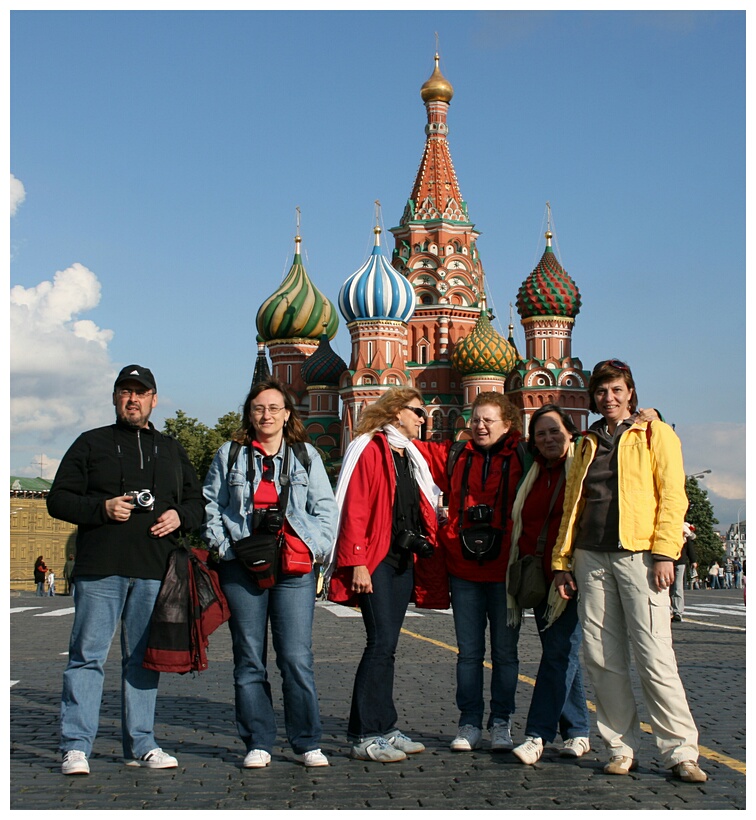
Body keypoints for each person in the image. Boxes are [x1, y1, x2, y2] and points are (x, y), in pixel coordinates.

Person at [553, 359, 707, 783]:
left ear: (630, 393)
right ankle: (620, 747)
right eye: (602, 391)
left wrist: (665, 554)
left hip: (639, 555)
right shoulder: (585, 443)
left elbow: (673, 496)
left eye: (617, 390)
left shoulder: (655, 433)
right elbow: (572, 505)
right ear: (594, 396)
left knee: (655, 655)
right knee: (602, 658)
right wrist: (562, 561)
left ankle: (680, 751)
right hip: (591, 555)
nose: (609, 397)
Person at [47, 365, 205, 776]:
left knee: (142, 661)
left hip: (154, 570)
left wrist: (178, 516)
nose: (132, 399)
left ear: (154, 399)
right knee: (87, 657)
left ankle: (141, 743)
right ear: (115, 397)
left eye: (140, 392)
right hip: (101, 568)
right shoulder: (90, 443)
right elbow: (58, 499)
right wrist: (101, 508)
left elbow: (196, 503)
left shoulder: (170, 449)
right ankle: (76, 746)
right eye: (125, 391)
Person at [203, 378, 338, 769]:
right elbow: (212, 505)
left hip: (292, 566)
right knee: (249, 658)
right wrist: (225, 548)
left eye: (274, 408)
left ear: (287, 413)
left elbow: (325, 509)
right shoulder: (230, 454)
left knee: (296, 657)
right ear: (249, 412)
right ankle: (258, 740)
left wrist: (315, 549)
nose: (267, 415)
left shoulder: (305, 456)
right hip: (242, 564)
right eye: (259, 408)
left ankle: (306, 740)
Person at [328, 386, 447, 762]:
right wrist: (357, 561)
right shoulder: (370, 447)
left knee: (389, 648)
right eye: (417, 411)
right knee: (379, 644)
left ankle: (386, 726)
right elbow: (355, 505)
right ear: (396, 413)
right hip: (375, 560)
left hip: (401, 560)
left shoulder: (410, 454)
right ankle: (364, 734)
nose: (423, 418)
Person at [417, 392, 524, 753]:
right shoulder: (455, 454)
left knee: (506, 654)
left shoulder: (522, 456)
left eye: (488, 420)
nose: (479, 426)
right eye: (475, 419)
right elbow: (408, 445)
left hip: (505, 569)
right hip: (464, 567)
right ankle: (468, 722)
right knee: (468, 653)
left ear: (507, 424)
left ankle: (502, 723)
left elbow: (566, 445)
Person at [506, 405, 591, 765]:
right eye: (541, 433)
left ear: (572, 433)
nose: (548, 438)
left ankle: (537, 734)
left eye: (555, 431)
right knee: (561, 653)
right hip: (538, 578)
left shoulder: (583, 466)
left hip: (567, 576)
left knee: (558, 653)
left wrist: (651, 415)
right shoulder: (533, 469)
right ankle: (578, 731)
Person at [671, 524, 698, 622]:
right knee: (669, 587)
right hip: (668, 561)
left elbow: (689, 546)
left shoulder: (683, 529)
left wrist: (693, 560)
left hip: (678, 561)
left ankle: (677, 611)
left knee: (677, 586)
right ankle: (670, 609)